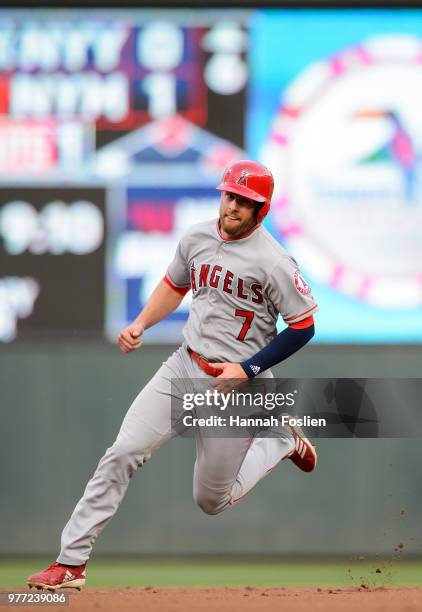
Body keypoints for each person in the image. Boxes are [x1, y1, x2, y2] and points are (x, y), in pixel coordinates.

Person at [27, 160, 318, 591]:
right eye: (230, 195)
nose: (233, 205)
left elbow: (303, 325)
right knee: (123, 451)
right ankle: (71, 563)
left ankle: (280, 440)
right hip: (185, 364)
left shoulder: (274, 261)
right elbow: (173, 284)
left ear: (263, 209)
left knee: (210, 501)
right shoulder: (197, 237)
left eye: (245, 201)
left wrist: (248, 367)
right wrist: (141, 322)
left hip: (239, 386)